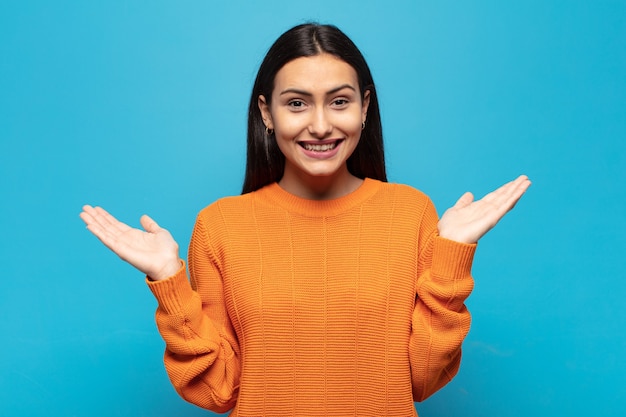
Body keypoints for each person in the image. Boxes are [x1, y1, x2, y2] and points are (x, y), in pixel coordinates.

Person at [80, 23, 530, 416]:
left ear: (365, 108)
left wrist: (452, 253)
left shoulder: (410, 213)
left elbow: (421, 381)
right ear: (266, 113)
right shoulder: (220, 226)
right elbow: (219, 391)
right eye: (297, 104)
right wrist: (169, 281)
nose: (319, 125)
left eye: (339, 102)